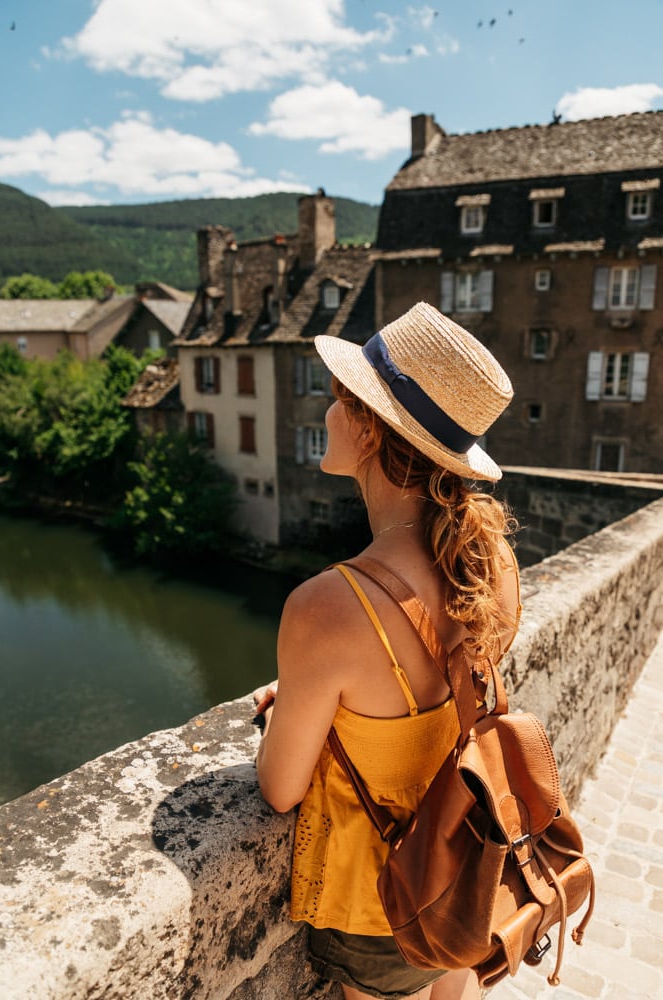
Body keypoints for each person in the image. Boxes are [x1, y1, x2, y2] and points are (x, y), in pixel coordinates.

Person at [254, 301, 521, 1000]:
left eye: (340, 401)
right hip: (468, 867)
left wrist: (284, 717)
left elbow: (279, 791)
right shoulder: (491, 567)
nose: (327, 414)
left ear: (369, 430)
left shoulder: (327, 607)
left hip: (383, 900)